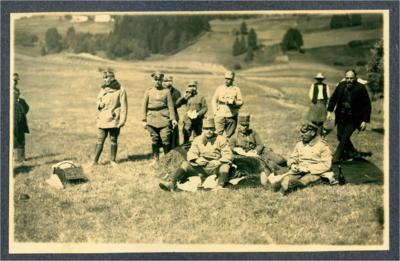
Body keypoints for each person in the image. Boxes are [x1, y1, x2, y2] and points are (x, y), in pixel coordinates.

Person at [159, 118, 233, 192]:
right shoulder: (197, 139)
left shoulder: (221, 139)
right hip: (201, 167)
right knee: (185, 164)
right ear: (202, 130)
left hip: (215, 167)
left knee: (225, 166)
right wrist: (196, 160)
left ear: (214, 129)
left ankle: (219, 186)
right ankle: (172, 183)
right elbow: (191, 153)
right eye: (206, 129)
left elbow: (228, 154)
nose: (209, 131)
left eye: (211, 129)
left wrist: (219, 161)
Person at [268, 122, 338, 195]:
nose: (301, 135)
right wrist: (293, 164)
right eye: (301, 132)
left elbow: (326, 165)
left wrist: (308, 168)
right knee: (286, 176)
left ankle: (287, 186)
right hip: (300, 170)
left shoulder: (322, 146)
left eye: (304, 133)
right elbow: (293, 157)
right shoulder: (299, 144)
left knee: (306, 180)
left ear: (312, 133)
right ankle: (278, 184)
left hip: (317, 172)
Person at [327, 69, 372, 163]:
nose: (349, 80)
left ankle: (335, 158)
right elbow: (333, 98)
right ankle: (353, 153)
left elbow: (367, 105)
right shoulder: (341, 85)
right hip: (341, 116)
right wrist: (329, 111)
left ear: (355, 78)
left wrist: (364, 120)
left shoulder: (360, 88)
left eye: (351, 78)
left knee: (344, 138)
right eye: (347, 78)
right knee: (340, 136)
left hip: (354, 118)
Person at [92, 70, 128, 166]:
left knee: (113, 139)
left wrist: (122, 120)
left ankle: (113, 160)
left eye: (107, 77)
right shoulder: (103, 89)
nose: (105, 79)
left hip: (114, 119)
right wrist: (100, 104)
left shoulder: (121, 89)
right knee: (100, 139)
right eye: (104, 78)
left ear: (112, 78)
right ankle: (94, 161)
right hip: (103, 119)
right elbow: (98, 101)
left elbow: (124, 106)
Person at [143, 72, 177, 164]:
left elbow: (170, 106)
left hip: (164, 118)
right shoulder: (149, 91)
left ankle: (166, 160)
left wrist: (173, 119)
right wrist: (144, 120)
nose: (157, 82)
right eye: (156, 79)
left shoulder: (166, 92)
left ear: (162, 80)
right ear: (153, 80)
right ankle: (155, 159)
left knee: (165, 139)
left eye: (159, 80)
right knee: (154, 139)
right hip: (151, 118)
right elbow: (144, 106)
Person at [212, 70, 243, 138]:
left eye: (229, 79)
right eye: (226, 78)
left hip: (232, 114)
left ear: (232, 80)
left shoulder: (236, 89)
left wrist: (235, 103)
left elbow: (241, 102)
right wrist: (215, 112)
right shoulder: (220, 88)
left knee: (230, 135)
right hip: (220, 114)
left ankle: (228, 148)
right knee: (218, 134)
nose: (227, 80)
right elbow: (214, 100)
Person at [176, 80, 208, 145]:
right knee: (186, 136)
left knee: (198, 138)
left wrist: (198, 114)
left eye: (193, 86)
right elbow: (177, 104)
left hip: (198, 120)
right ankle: (185, 150)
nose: (192, 88)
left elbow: (205, 108)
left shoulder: (201, 97)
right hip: (188, 121)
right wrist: (183, 97)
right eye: (190, 86)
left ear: (196, 87)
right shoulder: (186, 97)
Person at [13, 73, 30, 162]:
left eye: (16, 81)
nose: (15, 82)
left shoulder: (17, 93)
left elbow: (26, 108)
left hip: (19, 119)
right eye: (14, 80)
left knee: (20, 138)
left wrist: (21, 113)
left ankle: (20, 158)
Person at [163, 75, 182, 149]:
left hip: (174, 115)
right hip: (163, 115)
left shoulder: (176, 92)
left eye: (169, 81)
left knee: (174, 134)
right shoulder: (161, 91)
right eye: (165, 81)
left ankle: (175, 149)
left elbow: (178, 105)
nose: (167, 83)